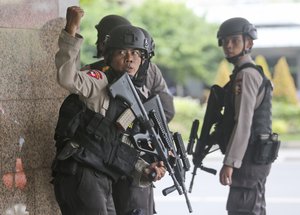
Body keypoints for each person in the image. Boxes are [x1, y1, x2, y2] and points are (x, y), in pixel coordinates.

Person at [52, 6, 167, 215]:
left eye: (136, 53)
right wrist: (71, 30)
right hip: (82, 172)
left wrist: (145, 169)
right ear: (109, 56)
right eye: (122, 52)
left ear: (143, 60)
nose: (129, 58)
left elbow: (120, 143)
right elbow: (67, 78)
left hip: (104, 176)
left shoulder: (135, 98)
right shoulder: (100, 81)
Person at [82, 14, 174, 215]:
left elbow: (164, 109)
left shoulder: (143, 67)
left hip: (129, 160)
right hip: (113, 160)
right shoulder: (95, 73)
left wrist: (141, 132)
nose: (130, 59)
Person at [215, 17, 278, 214]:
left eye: (234, 40)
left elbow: (243, 122)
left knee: (242, 209)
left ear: (248, 43)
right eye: (225, 42)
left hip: (248, 160)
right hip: (252, 158)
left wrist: (230, 162)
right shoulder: (246, 72)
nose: (229, 46)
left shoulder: (246, 75)